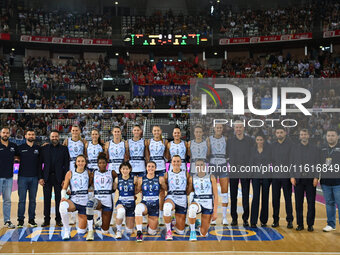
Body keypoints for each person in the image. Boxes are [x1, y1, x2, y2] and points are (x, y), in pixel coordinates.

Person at [290, 129, 320, 232]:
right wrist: (292, 176)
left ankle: (310, 224)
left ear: (309, 135)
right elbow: (291, 163)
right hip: (298, 179)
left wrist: (316, 177)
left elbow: (317, 164)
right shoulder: (294, 148)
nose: (303, 136)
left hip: (310, 180)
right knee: (299, 203)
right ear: (299, 136)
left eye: (305, 134)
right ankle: (300, 224)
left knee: (311, 203)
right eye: (301, 134)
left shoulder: (315, 149)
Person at [39, 130, 70, 227]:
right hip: (47, 178)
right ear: (50, 137)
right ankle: (46, 220)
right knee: (47, 200)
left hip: (59, 178)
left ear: (59, 137)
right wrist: (40, 177)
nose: (54, 138)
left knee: (59, 200)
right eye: (53, 136)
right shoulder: (44, 148)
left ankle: (58, 219)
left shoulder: (64, 149)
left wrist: (65, 179)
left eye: (56, 136)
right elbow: (39, 164)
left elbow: (66, 164)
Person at [86, 153, 117, 241]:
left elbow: (118, 179)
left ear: (106, 164)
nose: (102, 165)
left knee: (105, 231)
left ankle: (101, 222)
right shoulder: (94, 173)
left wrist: (115, 184)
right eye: (100, 163)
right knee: (90, 204)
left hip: (108, 202)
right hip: (98, 200)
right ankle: (91, 230)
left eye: (103, 163)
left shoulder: (112, 172)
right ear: (97, 164)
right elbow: (89, 184)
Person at [227, 121, 253, 227]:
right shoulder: (230, 141)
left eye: (240, 127)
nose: (238, 129)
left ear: (243, 128)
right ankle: (234, 218)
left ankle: (245, 219)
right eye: (236, 127)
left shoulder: (249, 141)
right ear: (234, 129)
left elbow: (252, 155)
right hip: (233, 171)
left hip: (245, 171)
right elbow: (227, 154)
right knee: (233, 196)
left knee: (245, 196)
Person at [134, 161, 167, 242]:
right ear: (146, 168)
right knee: (138, 208)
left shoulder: (160, 179)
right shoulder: (141, 179)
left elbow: (167, 189)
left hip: (155, 206)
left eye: (152, 166)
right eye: (149, 166)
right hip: (145, 204)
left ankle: (150, 226)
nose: (150, 168)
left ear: (155, 168)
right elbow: (136, 191)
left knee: (152, 232)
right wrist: (133, 182)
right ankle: (139, 232)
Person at [59, 155, 90, 240]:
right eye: (78, 161)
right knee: (62, 206)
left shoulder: (89, 173)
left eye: (82, 161)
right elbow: (64, 188)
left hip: (84, 203)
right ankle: (66, 230)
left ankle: (84, 224)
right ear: (75, 163)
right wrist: (63, 197)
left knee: (81, 231)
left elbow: (91, 187)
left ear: (85, 162)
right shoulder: (70, 173)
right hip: (74, 201)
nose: (80, 163)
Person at [187, 159, 218, 241]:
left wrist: (215, 212)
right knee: (192, 209)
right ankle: (193, 232)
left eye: (201, 165)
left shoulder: (211, 177)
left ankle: (198, 222)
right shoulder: (192, 178)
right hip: (197, 202)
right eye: (197, 165)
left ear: (205, 166)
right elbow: (188, 192)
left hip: (208, 204)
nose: (199, 167)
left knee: (203, 233)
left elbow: (216, 196)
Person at [16, 129, 41, 228]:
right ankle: (20, 220)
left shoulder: (38, 148)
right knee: (21, 200)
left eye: (33, 134)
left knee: (33, 200)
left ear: (35, 137)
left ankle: (31, 220)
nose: (31, 136)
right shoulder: (20, 148)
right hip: (22, 178)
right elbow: (14, 157)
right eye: (29, 134)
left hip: (34, 178)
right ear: (25, 136)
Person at [145, 125, 169, 225]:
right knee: (148, 190)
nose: (156, 132)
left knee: (162, 192)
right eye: (154, 130)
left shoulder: (165, 141)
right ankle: (147, 213)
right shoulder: (148, 141)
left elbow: (167, 155)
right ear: (152, 131)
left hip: (161, 167)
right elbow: (147, 154)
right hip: (151, 168)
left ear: (161, 131)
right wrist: (148, 165)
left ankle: (161, 213)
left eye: (158, 130)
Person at [163, 155, 190, 240]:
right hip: (172, 197)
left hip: (182, 199)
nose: (176, 163)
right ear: (171, 162)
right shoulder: (167, 174)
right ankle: (168, 231)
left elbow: (189, 187)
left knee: (180, 231)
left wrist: (186, 194)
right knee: (167, 208)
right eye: (174, 161)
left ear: (181, 162)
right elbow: (165, 187)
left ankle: (174, 220)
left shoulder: (186, 173)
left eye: (178, 161)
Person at [271, 127, 294, 228]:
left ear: (285, 133)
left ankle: (290, 220)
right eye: (277, 132)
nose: (279, 134)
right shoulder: (273, 145)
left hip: (286, 176)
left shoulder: (290, 145)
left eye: (281, 132)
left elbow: (293, 161)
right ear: (275, 134)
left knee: (288, 199)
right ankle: (275, 220)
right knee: (275, 199)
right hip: (275, 176)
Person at [206, 123, 229, 225]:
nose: (219, 129)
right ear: (214, 128)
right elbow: (206, 154)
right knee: (212, 192)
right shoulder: (208, 139)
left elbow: (229, 152)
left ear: (222, 129)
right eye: (217, 127)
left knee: (225, 192)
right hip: (212, 164)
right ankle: (213, 216)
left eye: (220, 127)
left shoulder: (226, 139)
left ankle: (224, 217)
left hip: (223, 164)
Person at [63, 125, 85, 225]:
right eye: (73, 130)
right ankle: (71, 216)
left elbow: (85, 154)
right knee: (70, 190)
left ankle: (83, 213)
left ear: (79, 131)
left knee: (80, 188)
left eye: (77, 130)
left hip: (80, 165)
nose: (75, 132)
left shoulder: (83, 142)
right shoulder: (67, 141)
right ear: (71, 131)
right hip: (70, 165)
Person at [250, 131, 271, 228]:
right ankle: (253, 221)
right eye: (258, 140)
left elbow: (272, 162)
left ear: (264, 140)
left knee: (265, 198)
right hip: (256, 177)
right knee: (256, 198)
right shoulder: (252, 150)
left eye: (261, 140)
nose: (259, 141)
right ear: (255, 140)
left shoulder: (268, 150)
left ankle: (263, 220)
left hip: (266, 176)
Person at [320, 128, 340, 232]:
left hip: (338, 182)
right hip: (325, 182)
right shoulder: (322, 149)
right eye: (328, 135)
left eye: (333, 135)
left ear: (338, 136)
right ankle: (331, 224)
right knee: (329, 203)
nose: (330, 137)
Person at [85, 129, 104, 227]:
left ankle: (100, 218)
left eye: (96, 134)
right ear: (90, 135)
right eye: (93, 134)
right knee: (89, 194)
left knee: (99, 194)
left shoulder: (101, 147)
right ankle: (89, 218)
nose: (94, 135)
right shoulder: (87, 145)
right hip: (89, 171)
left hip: (98, 172)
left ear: (98, 135)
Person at [0, 127, 18, 228]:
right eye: (3, 133)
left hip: (9, 177)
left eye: (7, 133)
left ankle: (7, 220)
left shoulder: (13, 146)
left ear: (9, 134)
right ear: (0, 134)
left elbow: (20, 156)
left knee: (7, 200)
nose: (5, 134)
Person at [114, 162, 137, 237]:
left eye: (127, 169)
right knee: (121, 211)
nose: (125, 171)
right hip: (121, 201)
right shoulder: (117, 179)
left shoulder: (134, 179)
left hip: (131, 204)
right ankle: (118, 230)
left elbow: (138, 190)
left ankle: (128, 224)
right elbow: (114, 190)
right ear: (120, 170)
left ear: (130, 170)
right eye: (123, 169)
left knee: (129, 231)